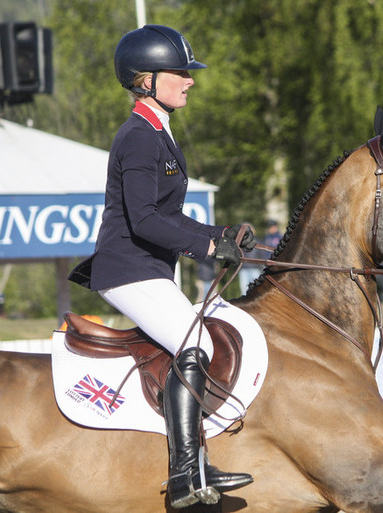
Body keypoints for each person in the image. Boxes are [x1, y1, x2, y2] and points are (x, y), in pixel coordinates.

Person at [67, 25, 254, 508]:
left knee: (194, 340)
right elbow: (146, 220)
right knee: (197, 342)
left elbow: (167, 215)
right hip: (128, 269)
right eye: (180, 73)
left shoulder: (158, 133)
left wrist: (219, 235)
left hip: (147, 268)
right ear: (145, 80)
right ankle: (187, 473)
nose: (189, 80)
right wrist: (209, 252)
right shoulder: (138, 137)